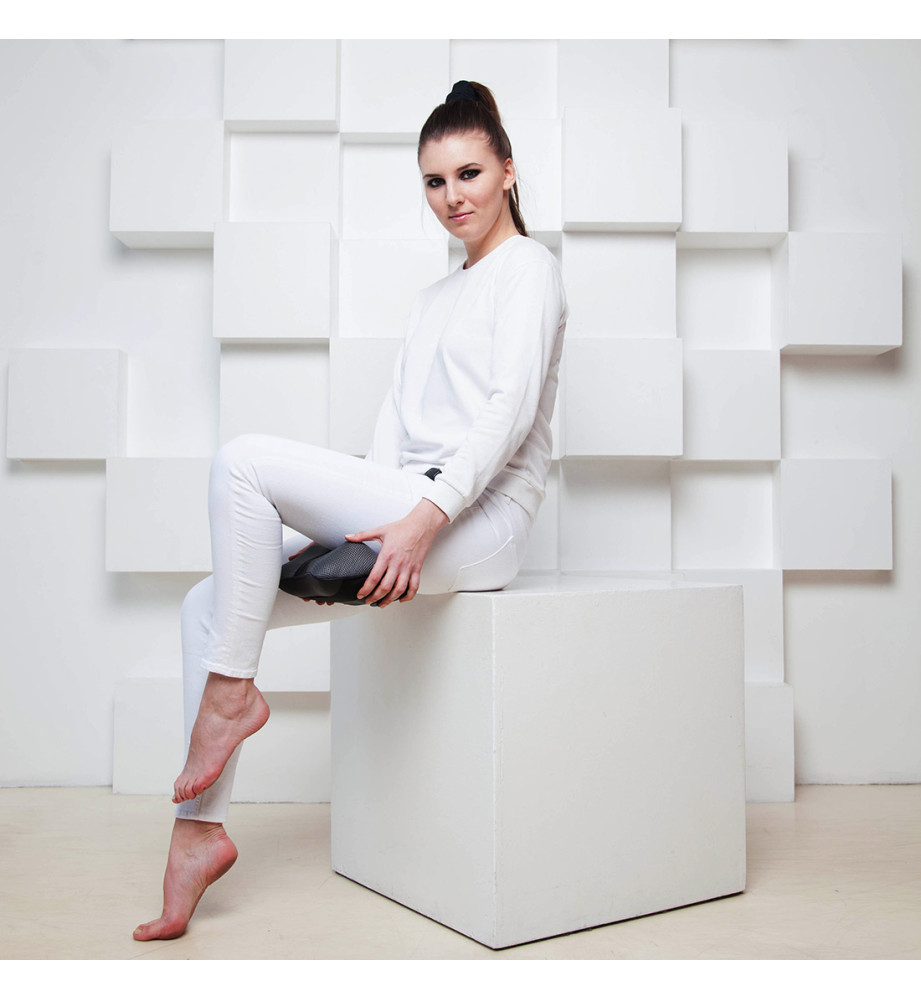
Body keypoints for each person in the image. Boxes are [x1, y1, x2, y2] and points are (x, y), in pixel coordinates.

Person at [133, 80, 568, 941]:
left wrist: (420, 521)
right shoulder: (431, 301)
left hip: (480, 523)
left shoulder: (530, 270)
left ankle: (229, 699)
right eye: (435, 181)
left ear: (508, 172)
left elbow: (508, 414)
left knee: (241, 462)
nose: (453, 196)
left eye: (470, 173)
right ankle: (199, 834)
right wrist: (334, 534)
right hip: (407, 502)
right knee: (204, 606)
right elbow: (388, 440)